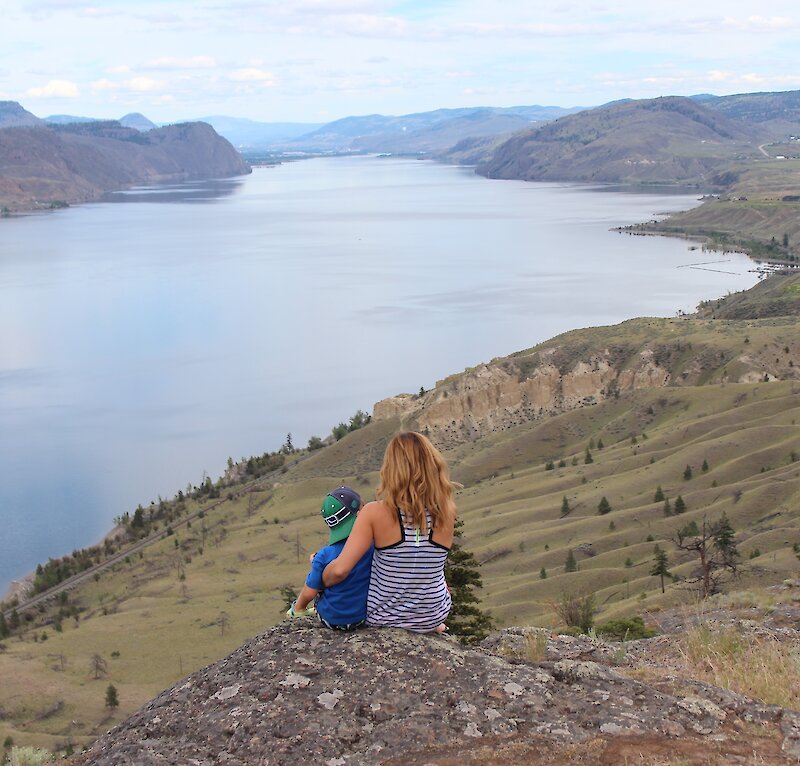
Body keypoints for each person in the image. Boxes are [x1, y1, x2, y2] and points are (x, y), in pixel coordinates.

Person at [323, 431, 455, 633]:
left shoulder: (374, 513)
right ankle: (430, 624)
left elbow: (340, 570)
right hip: (433, 614)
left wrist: (321, 576)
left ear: (391, 470)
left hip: (385, 617)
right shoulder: (447, 511)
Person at [286, 486, 373, 631]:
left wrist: (299, 608)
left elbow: (310, 592)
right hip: (363, 616)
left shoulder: (324, 555)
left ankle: (298, 611)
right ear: (358, 515)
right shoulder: (371, 545)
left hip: (331, 619)